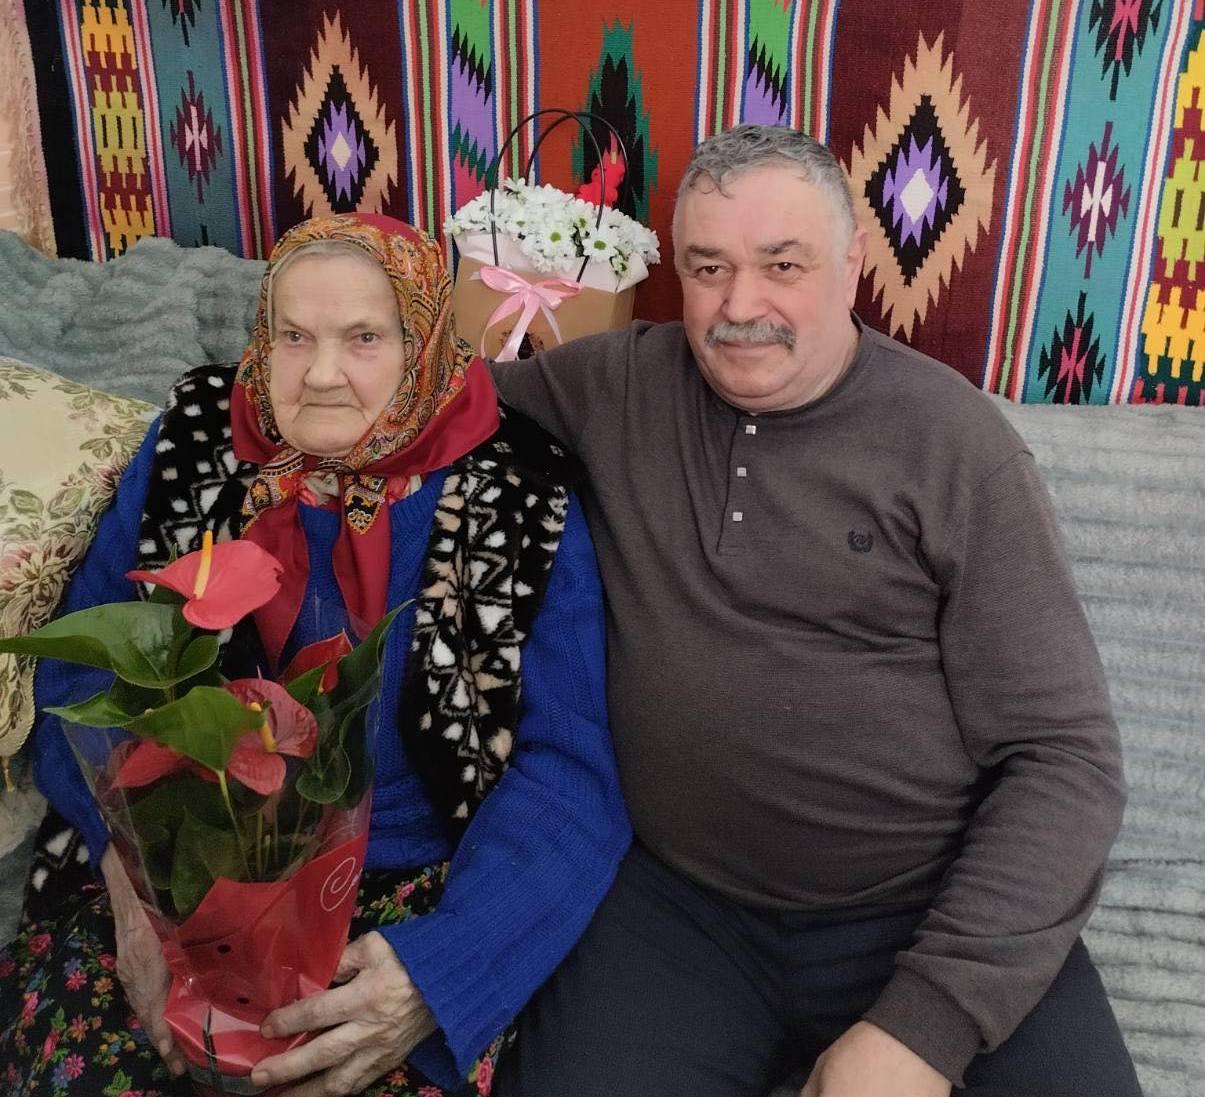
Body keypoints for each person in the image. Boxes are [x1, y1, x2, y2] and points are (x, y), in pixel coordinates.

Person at [489, 124, 1140, 1097]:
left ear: (852, 264)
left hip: (922, 902)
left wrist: (924, 1028)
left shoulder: (954, 445)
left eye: (781, 265)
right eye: (708, 267)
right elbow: (426, 405)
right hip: (677, 912)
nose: (738, 306)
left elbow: (1067, 759)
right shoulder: (616, 385)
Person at [0, 213, 630, 1097]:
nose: (322, 373)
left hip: (410, 899)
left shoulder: (517, 492)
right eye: (293, 336)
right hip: (174, 869)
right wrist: (137, 880)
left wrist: (433, 973)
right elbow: (81, 671)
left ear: (421, 341)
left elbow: (568, 771)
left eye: (363, 337)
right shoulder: (197, 441)